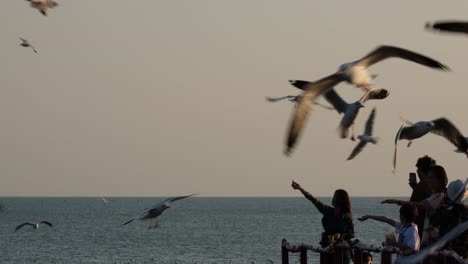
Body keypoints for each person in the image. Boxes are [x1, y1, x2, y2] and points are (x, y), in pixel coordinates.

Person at [382, 165, 448, 248]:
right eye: (428, 177)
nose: (428, 181)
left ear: (440, 179)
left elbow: (420, 204)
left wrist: (397, 201)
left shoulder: (439, 196)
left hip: (432, 242)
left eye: (431, 178)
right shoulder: (435, 195)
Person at [291, 181, 354, 263]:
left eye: (335, 196)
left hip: (341, 251)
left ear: (340, 200)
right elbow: (314, 200)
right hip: (326, 248)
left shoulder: (346, 215)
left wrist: (340, 236)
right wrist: (300, 189)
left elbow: (351, 233)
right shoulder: (328, 211)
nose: (333, 198)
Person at [429, 178, 468, 259]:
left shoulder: (448, 212)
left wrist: (439, 208)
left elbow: (434, 221)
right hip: (463, 255)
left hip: (448, 254)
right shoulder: (465, 211)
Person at [409, 156, 436, 240]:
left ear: (421, 169)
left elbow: (411, 209)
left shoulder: (420, 186)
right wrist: (415, 187)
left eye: (418, 169)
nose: (417, 172)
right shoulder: (436, 185)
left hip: (420, 231)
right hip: (433, 230)